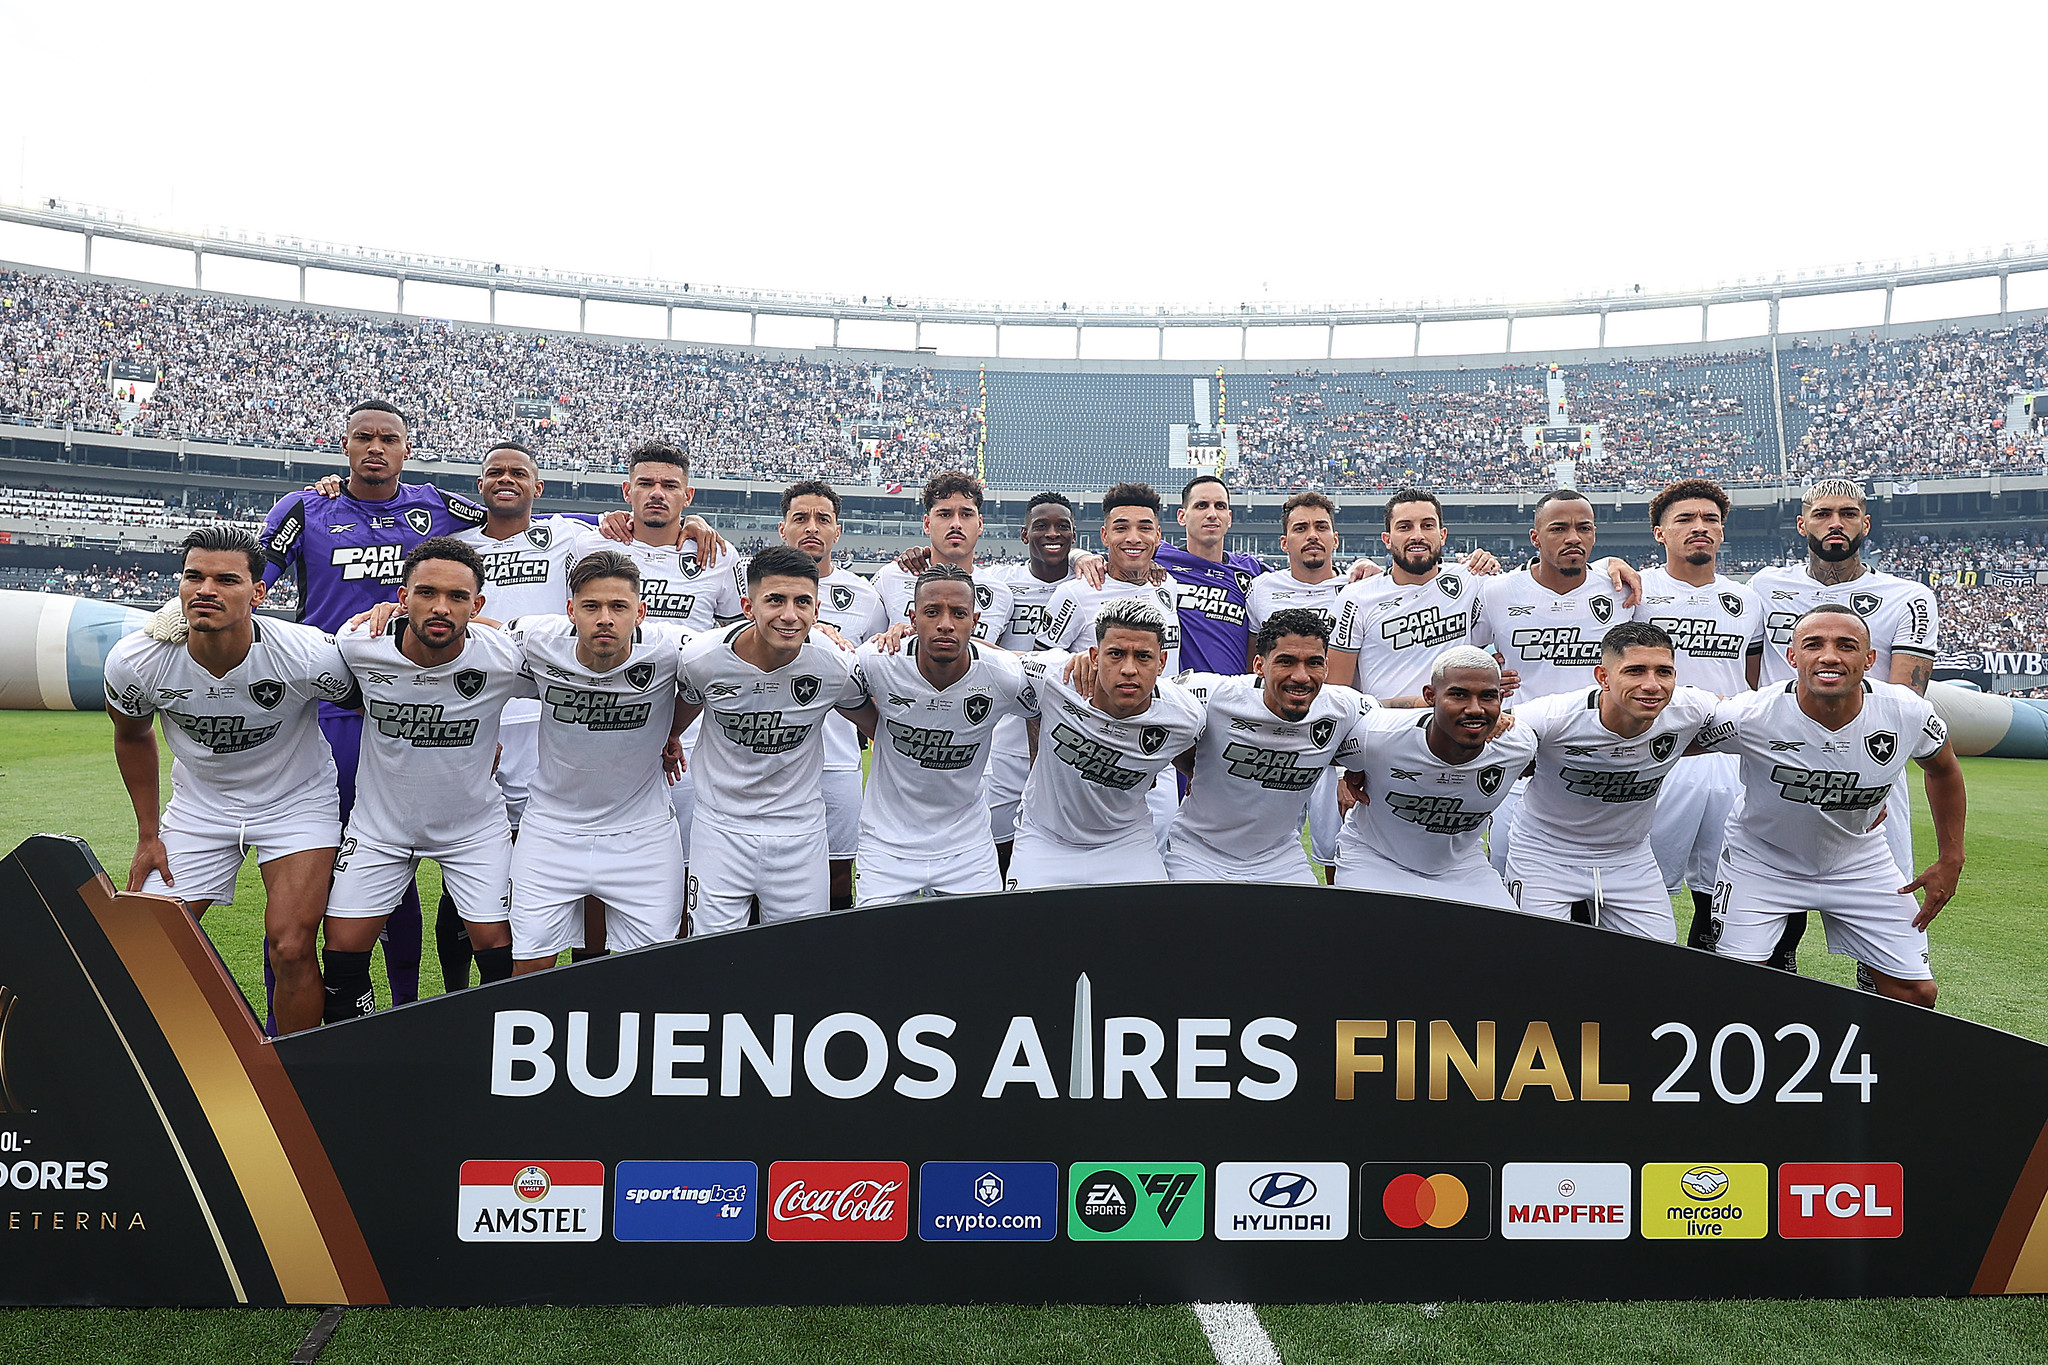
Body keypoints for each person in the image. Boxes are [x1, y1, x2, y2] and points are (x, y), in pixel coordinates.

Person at [258, 399, 486, 1016]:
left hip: (411, 702)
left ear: (406, 448)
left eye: (389, 438)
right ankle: (296, 1008)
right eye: (364, 437)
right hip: (332, 704)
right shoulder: (307, 508)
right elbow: (253, 579)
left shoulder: (436, 505)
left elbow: (517, 522)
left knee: (397, 851)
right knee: (316, 856)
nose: (376, 447)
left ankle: (402, 1006)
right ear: (344, 443)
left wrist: (620, 522)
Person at [104, 526, 357, 1035]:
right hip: (200, 809)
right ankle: (200, 1060)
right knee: (143, 944)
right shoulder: (136, 660)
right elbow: (132, 737)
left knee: (290, 947)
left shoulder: (308, 653)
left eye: (226, 579)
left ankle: (295, 1073)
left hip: (296, 804)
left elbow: (375, 702)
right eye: (193, 577)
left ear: (258, 593)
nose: (206, 590)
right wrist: (149, 835)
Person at [1701, 604, 1966, 1007]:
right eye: (1813, 644)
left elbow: (1944, 769)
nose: (1829, 656)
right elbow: (1668, 745)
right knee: (1737, 988)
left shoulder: (1907, 712)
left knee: (1916, 992)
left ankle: (1880, 1069)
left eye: (1846, 645)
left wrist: (1951, 858)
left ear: (1869, 658)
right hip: (1762, 860)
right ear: (1793, 657)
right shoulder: (1750, 713)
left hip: (1859, 860)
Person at [322, 539, 523, 1020]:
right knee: (341, 950)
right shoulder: (357, 646)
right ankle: (364, 1041)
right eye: (427, 592)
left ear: (477, 606)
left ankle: (488, 1053)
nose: (440, 607)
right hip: (380, 831)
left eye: (457, 598)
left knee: (500, 949)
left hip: (474, 830)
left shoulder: (504, 656)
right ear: (401, 596)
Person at [673, 546, 875, 933]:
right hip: (720, 829)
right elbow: (683, 709)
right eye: (775, 600)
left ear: (817, 611)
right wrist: (672, 739)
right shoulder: (702, 658)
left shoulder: (836, 666)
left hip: (800, 834)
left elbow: (877, 726)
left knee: (796, 964)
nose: (789, 615)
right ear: (748, 606)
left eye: (802, 602)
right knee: (713, 955)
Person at [1747, 479, 1939, 887]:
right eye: (1823, 514)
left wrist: (1865, 782)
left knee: (1885, 904)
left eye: (1848, 514)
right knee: (1772, 903)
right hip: (1781, 765)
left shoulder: (1908, 597)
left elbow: (1905, 701)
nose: (1836, 523)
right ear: (1802, 525)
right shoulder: (1763, 586)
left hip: (1867, 768)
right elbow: (1750, 679)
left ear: (1865, 525)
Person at [506, 550, 690, 972]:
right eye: (591, 606)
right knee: (528, 972)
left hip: (643, 837)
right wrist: (396, 612)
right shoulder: (537, 639)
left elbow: (735, 650)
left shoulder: (671, 649)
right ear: (570, 610)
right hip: (550, 833)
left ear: (641, 612)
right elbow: (473, 631)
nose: (605, 618)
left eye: (618, 607)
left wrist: (675, 729)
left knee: (651, 976)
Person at [1503, 622, 1720, 941]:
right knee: (1538, 961)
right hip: (1545, 852)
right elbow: (1475, 732)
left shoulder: (1691, 709)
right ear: (1603, 677)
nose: (1652, 685)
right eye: (1635, 671)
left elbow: (1759, 715)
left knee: (1659, 965)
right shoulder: (1552, 716)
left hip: (1628, 856)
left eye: (1664, 672)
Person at [1630, 479, 1766, 950]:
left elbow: (1750, 679)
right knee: (1643, 879)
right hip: (1661, 753)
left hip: (1729, 757)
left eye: (1710, 520)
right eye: (1684, 519)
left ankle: (1706, 981)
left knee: (1721, 884)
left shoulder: (1747, 599)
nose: (1700, 528)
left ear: (1723, 533)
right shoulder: (1636, 589)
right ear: (1659, 533)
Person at [854, 565, 1039, 903]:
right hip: (887, 845)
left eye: (958, 613)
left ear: (975, 620)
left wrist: (1038, 779)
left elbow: (1043, 707)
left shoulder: (1003, 676)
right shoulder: (878, 662)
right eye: (932, 612)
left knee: (976, 952)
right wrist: (880, 730)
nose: (945, 623)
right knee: (876, 950)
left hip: (966, 847)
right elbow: (838, 691)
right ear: (912, 617)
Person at [1165, 608, 1375, 884]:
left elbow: (1394, 732)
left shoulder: (1344, 707)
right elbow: (1142, 696)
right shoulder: (1215, 694)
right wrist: (1188, 765)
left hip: (1280, 857)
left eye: (1313, 663)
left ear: (1326, 665)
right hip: (1198, 852)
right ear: (1259, 665)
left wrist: (1358, 769)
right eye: (1286, 662)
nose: (1301, 676)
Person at [1008, 598, 1206, 890]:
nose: (1129, 669)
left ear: (1162, 662)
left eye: (1143, 657)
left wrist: (1193, 775)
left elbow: (1191, 757)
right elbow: (989, 659)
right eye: (1115, 654)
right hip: (1045, 838)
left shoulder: (1185, 716)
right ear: (1094, 656)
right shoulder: (1056, 676)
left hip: (1125, 842)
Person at [1474, 489, 1624, 875]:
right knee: (1510, 872)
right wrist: (1487, 678)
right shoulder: (1496, 591)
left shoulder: (1621, 589)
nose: (1573, 537)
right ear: (1535, 537)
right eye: (1559, 528)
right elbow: (1461, 659)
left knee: (1598, 880)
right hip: (1520, 757)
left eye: (1584, 528)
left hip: (1599, 758)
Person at [1038, 483, 1188, 849]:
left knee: (1153, 864)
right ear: (1104, 535)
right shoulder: (1075, 593)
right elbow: (1038, 674)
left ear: (1159, 536)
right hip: (1092, 756)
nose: (1133, 538)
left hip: (1157, 756)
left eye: (1144, 528)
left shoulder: (1167, 585)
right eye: (1121, 528)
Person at [1333, 646, 1537, 911]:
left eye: (1487, 697)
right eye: (1458, 695)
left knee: (1506, 945)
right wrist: (1350, 769)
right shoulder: (1377, 736)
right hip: (1375, 857)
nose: (1475, 709)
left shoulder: (1518, 746)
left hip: (1462, 865)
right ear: (1430, 696)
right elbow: (1323, 744)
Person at [777, 480, 891, 911]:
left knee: (838, 868)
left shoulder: (864, 595)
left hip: (840, 754)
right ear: (782, 527)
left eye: (823, 519)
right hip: (771, 751)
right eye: (800, 518)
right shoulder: (756, 583)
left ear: (837, 530)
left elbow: (877, 668)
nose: (812, 527)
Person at [1243, 492, 1348, 879]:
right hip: (1276, 738)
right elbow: (1253, 663)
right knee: (1265, 843)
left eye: (1321, 527)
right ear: (1285, 542)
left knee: (1336, 851)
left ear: (1336, 539)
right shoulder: (1262, 590)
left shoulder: (1358, 588)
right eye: (1301, 528)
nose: (1313, 536)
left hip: (1334, 737)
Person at [985, 493, 1077, 876]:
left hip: (1069, 734)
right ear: (1024, 535)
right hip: (1006, 739)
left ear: (1075, 537)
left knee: (1061, 840)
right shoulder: (1001, 583)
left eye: (1062, 527)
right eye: (1041, 526)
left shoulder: (1091, 583)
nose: (1052, 533)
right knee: (997, 841)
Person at [1328, 488, 1490, 704]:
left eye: (1427, 525)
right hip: (1386, 729)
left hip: (1456, 726)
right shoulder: (1356, 597)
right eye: (1405, 527)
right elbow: (1336, 692)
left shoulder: (1472, 580)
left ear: (1442, 535)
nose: (1417, 536)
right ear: (1387, 539)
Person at [871, 471, 1015, 643]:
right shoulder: (889, 578)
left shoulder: (1001, 594)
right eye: (945, 514)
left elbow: (1004, 664)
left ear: (980, 524)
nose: (956, 524)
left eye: (966, 514)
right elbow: (866, 652)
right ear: (927, 524)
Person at [1154, 475, 1269, 674]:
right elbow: (1111, 560)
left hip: (1233, 698)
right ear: (1182, 516)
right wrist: (1080, 557)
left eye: (1220, 506)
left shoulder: (1252, 571)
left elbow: (1297, 583)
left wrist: (1340, 576)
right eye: (1201, 506)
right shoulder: (1159, 558)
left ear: (1229, 518)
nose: (1212, 514)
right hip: (1179, 697)